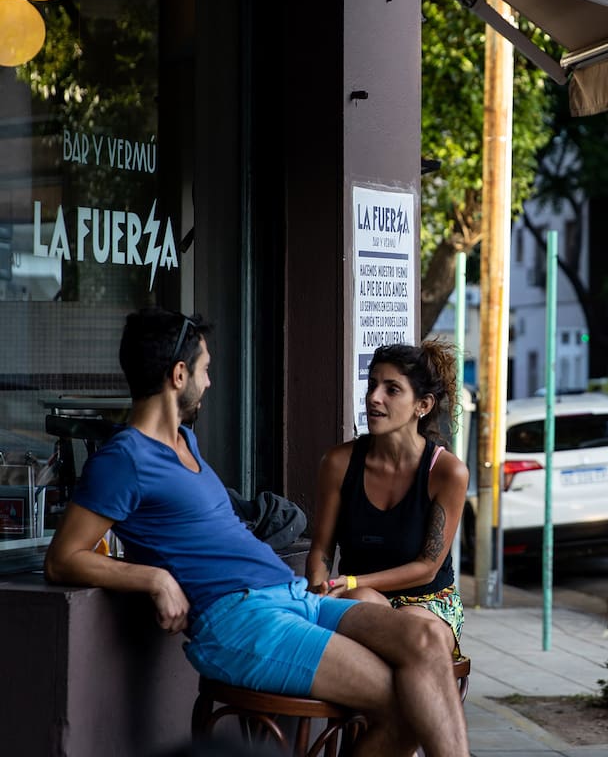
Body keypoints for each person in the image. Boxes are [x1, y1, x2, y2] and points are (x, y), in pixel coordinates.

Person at [43, 308, 468, 756]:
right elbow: (62, 558)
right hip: (240, 619)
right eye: (205, 370)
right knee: (406, 703)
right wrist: (154, 578)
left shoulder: (185, 442)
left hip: (294, 598)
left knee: (425, 640)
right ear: (179, 375)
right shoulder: (124, 458)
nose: (209, 382)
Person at [306, 341, 468, 657]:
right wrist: (318, 589)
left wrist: (353, 581)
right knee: (362, 604)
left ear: (423, 405)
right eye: (372, 385)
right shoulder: (338, 463)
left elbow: (427, 568)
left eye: (392, 389)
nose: (374, 397)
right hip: (360, 596)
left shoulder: (447, 472)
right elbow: (322, 549)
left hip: (428, 602)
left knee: (417, 637)